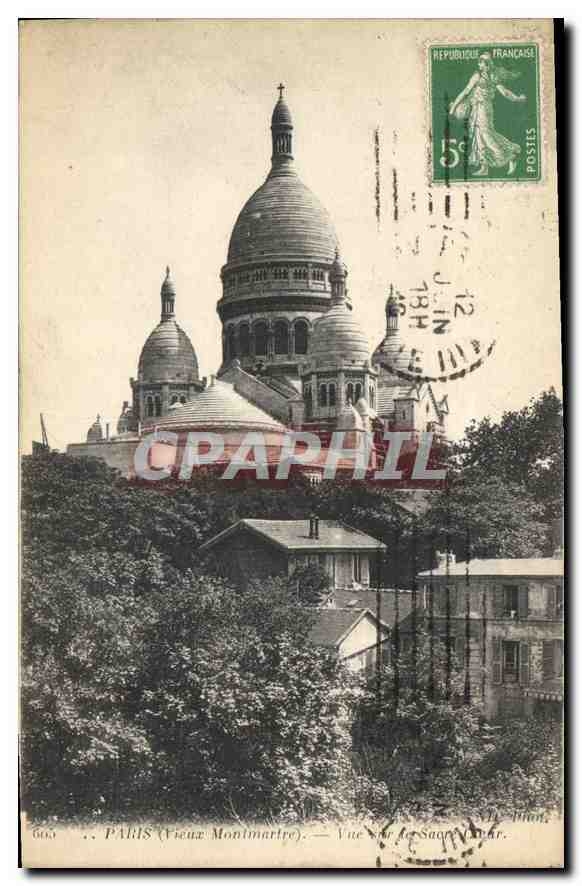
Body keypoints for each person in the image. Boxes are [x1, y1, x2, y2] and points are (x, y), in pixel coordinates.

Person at [449, 52, 526, 176]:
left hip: (484, 109)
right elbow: (465, 92)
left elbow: (505, 92)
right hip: (476, 109)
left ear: (488, 65)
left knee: (487, 135)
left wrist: (517, 99)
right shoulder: (478, 76)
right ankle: (484, 167)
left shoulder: (492, 76)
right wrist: (454, 107)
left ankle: (511, 155)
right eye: (480, 63)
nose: (481, 65)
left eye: (483, 63)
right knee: (478, 136)